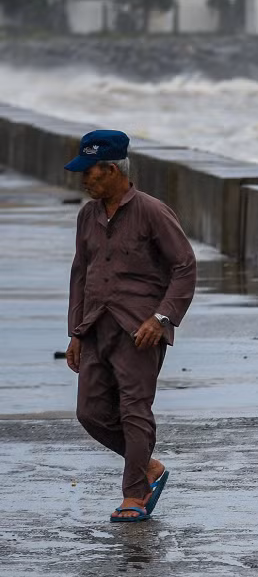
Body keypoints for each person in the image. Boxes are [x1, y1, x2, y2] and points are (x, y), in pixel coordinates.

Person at [62, 130, 196, 523]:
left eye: (90, 172)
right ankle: (148, 466)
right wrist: (75, 331)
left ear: (112, 170)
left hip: (140, 330)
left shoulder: (152, 211)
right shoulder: (87, 215)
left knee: (134, 410)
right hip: (96, 326)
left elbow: (184, 266)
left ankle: (134, 494)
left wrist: (162, 317)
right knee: (89, 412)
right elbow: (80, 273)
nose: (84, 180)